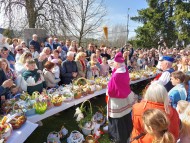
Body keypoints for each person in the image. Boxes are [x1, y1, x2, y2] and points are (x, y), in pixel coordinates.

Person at [107, 52, 136, 143]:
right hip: (125, 97)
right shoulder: (125, 70)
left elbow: (111, 90)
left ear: (118, 64)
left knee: (117, 119)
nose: (113, 64)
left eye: (114, 62)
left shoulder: (115, 76)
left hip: (117, 100)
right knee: (126, 116)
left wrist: (107, 91)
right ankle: (128, 133)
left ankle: (119, 138)